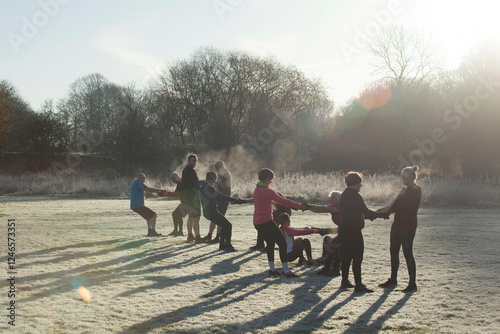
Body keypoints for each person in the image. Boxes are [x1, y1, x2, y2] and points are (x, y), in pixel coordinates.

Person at [339, 171, 388, 293]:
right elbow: (365, 212)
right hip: (354, 230)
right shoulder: (355, 196)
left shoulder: (344, 195)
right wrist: (381, 215)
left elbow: (357, 212)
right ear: (355, 183)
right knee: (357, 256)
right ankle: (358, 284)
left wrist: (372, 215)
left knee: (347, 256)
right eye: (359, 183)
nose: (361, 186)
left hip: (344, 229)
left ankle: (344, 280)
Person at [253, 168, 308, 277]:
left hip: (257, 222)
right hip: (266, 221)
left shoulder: (257, 189)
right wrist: (299, 206)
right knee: (283, 244)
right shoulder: (267, 191)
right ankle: (286, 271)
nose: (271, 182)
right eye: (271, 180)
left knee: (270, 243)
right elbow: (283, 201)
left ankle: (272, 270)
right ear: (267, 179)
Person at [377, 166, 422, 292]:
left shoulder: (416, 190)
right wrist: (378, 213)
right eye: (402, 177)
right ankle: (393, 279)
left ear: (412, 176)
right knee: (393, 251)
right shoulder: (403, 190)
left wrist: (385, 212)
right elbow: (393, 206)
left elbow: (406, 207)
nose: (403, 179)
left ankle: (412, 283)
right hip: (397, 224)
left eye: (405, 177)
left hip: (408, 225)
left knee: (407, 253)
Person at [200, 172, 250, 251]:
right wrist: (238, 200)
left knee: (224, 225)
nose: (214, 182)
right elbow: (221, 196)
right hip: (211, 212)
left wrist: (235, 201)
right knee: (228, 225)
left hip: (208, 212)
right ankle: (227, 245)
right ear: (212, 179)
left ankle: (223, 244)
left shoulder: (203, 186)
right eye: (214, 180)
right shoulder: (209, 188)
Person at [309, 190, 343, 276]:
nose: (331, 200)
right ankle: (326, 266)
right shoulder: (333, 207)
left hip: (349, 233)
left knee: (333, 244)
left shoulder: (339, 207)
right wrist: (304, 207)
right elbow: (319, 210)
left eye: (333, 198)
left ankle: (334, 268)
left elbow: (324, 209)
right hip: (342, 231)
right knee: (327, 240)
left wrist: (308, 207)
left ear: (338, 199)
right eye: (330, 198)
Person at [204, 160, 232, 243]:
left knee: (220, 218)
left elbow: (222, 187)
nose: (216, 169)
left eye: (217, 167)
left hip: (222, 199)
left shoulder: (224, 175)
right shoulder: (222, 174)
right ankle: (210, 235)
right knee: (215, 217)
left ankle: (217, 236)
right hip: (219, 198)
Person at [182, 154, 203, 243]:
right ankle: (198, 237)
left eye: (196, 161)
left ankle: (190, 235)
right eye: (193, 160)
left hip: (187, 197)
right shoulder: (190, 171)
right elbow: (196, 183)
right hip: (193, 197)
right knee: (196, 217)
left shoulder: (185, 170)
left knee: (190, 217)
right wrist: (206, 182)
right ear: (189, 160)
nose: (195, 162)